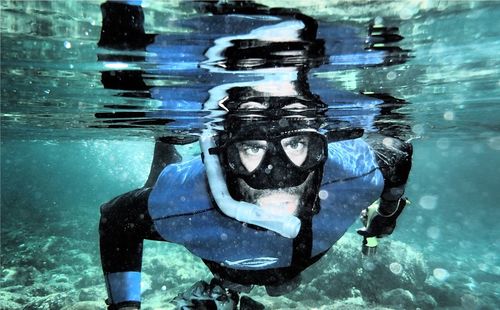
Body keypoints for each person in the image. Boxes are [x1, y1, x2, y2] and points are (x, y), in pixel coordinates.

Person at [97, 1, 413, 309]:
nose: (277, 175)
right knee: (160, 192)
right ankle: (165, 145)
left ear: (320, 148)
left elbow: (397, 150)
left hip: (275, 261)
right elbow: (116, 219)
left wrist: (386, 214)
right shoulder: (184, 201)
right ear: (224, 157)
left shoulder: (350, 175)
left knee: (281, 285)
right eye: (251, 148)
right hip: (225, 264)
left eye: (296, 144)